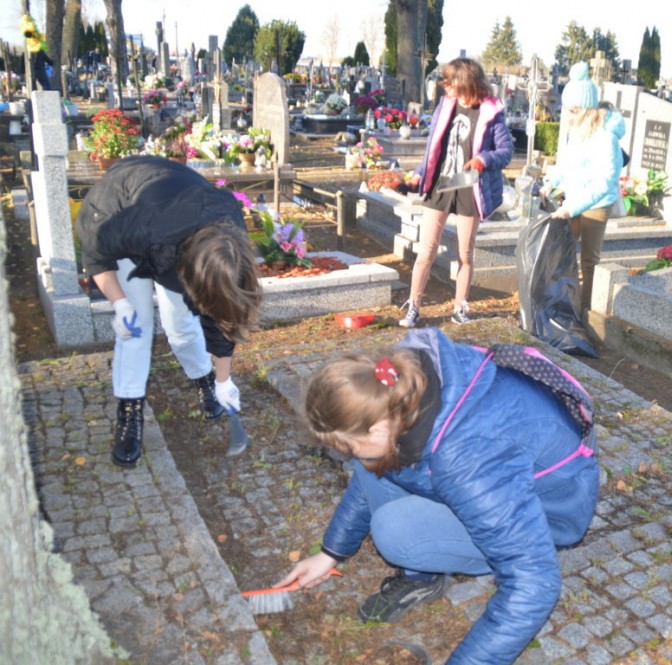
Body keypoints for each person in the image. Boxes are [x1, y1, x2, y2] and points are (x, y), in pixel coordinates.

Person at [278, 328, 599, 663]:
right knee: (371, 462)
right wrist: (330, 553)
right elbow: (370, 469)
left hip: (548, 513)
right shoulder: (400, 387)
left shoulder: (466, 460)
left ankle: (423, 567)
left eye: (347, 446)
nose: (345, 453)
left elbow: (534, 583)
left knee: (396, 530)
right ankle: (421, 574)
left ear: (378, 428)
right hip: (498, 475)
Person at [75, 156, 263, 468]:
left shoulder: (229, 235)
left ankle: (204, 379)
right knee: (136, 327)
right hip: (123, 210)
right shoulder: (139, 225)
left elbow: (222, 312)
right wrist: (119, 303)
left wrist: (223, 379)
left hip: (175, 220)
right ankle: (130, 407)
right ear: (188, 271)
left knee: (180, 323)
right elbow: (96, 250)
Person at [401, 57, 513, 328]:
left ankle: (460, 306)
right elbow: (433, 146)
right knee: (426, 250)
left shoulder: (490, 112)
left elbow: (505, 151)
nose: (444, 85)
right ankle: (413, 306)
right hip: (441, 185)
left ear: (464, 82)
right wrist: (418, 171)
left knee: (465, 253)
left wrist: (482, 159)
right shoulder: (445, 106)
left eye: (449, 81)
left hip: (470, 187)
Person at [542, 62, 623, 313]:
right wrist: (550, 183)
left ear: (587, 109)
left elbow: (604, 182)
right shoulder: (578, 132)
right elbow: (566, 164)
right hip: (574, 200)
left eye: (574, 110)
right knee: (562, 253)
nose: (569, 115)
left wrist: (571, 208)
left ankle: (586, 311)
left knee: (589, 260)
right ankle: (564, 302)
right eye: (568, 110)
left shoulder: (605, 137)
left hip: (596, 204)